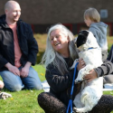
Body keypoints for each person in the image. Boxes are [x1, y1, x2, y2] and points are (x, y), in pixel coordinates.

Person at [37, 24, 113, 113]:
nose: (54, 40)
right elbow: (57, 85)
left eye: (57, 36)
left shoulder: (83, 49)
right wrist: (76, 71)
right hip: (63, 105)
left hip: (85, 100)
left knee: (110, 100)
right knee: (43, 97)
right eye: (51, 38)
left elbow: (109, 65)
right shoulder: (52, 64)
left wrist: (96, 72)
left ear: (67, 37)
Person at [0, 0, 42, 92]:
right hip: (6, 66)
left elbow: (33, 47)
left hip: (23, 65)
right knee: (16, 88)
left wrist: (27, 67)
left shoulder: (25, 27)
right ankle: (10, 82)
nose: (18, 14)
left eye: (19, 11)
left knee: (37, 87)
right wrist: (9, 66)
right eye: (15, 11)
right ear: (7, 11)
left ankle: (20, 79)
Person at [84, 7, 113, 84]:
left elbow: (91, 42)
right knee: (101, 67)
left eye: (86, 19)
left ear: (92, 18)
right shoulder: (102, 27)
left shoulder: (93, 29)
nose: (85, 21)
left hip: (97, 52)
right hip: (104, 51)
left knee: (94, 68)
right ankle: (101, 79)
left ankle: (99, 81)